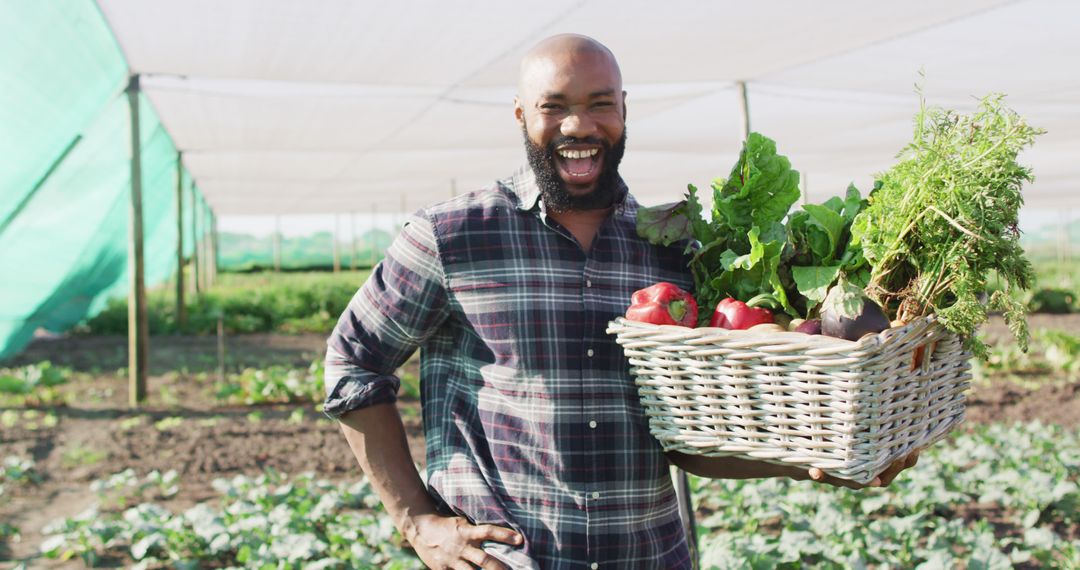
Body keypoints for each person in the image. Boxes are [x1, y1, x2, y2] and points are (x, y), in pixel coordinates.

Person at [323, 34, 917, 569]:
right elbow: (353, 364)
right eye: (554, 106)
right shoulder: (454, 237)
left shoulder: (674, 251)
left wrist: (816, 460)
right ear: (521, 115)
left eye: (599, 103)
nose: (578, 125)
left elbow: (691, 440)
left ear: (624, 109)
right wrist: (419, 522)